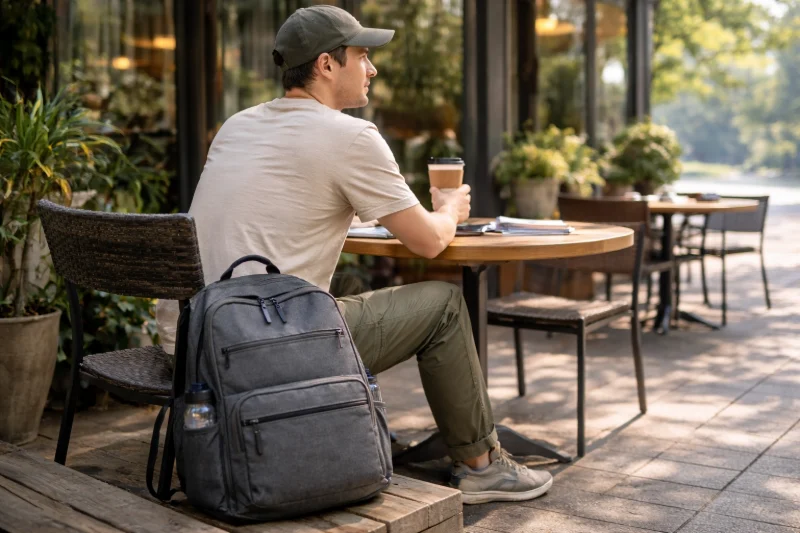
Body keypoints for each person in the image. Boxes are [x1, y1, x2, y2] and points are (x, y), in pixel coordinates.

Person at [157, 4, 552, 504]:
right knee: (444, 306)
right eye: (362, 56)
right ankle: (482, 467)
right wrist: (450, 209)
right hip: (257, 352)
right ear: (326, 64)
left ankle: (358, 423)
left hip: (190, 342)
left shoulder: (238, 124)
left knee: (345, 289)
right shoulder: (350, 136)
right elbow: (429, 242)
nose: (373, 68)